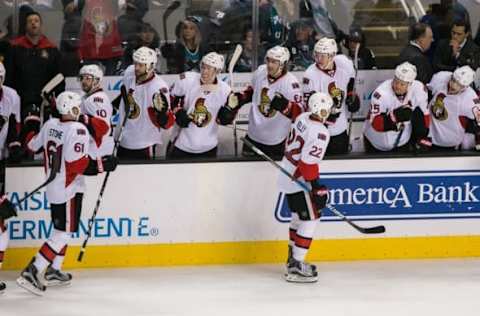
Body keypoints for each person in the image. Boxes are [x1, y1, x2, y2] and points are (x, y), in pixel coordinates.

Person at [17, 91, 117, 296]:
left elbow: (31, 144)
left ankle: (54, 269)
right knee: (63, 233)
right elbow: (78, 165)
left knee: (63, 229)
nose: (79, 109)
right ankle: (33, 270)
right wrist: (103, 165)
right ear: (70, 109)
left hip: (55, 187)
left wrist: (31, 122)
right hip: (68, 187)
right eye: (76, 107)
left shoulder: (50, 125)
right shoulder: (78, 129)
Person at [278, 92, 332, 283]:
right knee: (311, 219)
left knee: (297, 218)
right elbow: (308, 164)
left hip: (286, 174)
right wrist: (316, 186)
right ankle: (297, 264)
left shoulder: (302, 117)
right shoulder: (321, 133)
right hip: (299, 179)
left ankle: (292, 259)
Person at [167, 52, 239, 159]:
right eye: (203, 67)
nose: (204, 72)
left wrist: (228, 116)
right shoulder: (186, 80)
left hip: (207, 148)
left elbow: (229, 115)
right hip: (180, 144)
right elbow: (168, 99)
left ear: (218, 71)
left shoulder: (225, 91)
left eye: (209, 68)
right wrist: (177, 111)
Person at [237, 46, 303, 159]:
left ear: (282, 64)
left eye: (274, 62)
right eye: (268, 60)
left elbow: (300, 114)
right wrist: (240, 98)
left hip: (276, 142)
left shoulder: (291, 84)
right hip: (253, 137)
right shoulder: (260, 72)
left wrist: (286, 106)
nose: (269, 65)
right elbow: (252, 91)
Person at [5, 11, 64, 135]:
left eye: (36, 21)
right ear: (25, 26)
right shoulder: (15, 48)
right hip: (20, 100)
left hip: (43, 101)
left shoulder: (51, 49)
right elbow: (8, 75)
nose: (33, 23)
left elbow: (59, 77)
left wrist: (57, 100)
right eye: (30, 21)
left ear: (41, 25)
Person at [302, 37, 360, 155]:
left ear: (332, 55)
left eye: (323, 56)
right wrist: (328, 115)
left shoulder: (344, 64)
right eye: (317, 55)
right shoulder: (310, 75)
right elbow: (309, 107)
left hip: (340, 130)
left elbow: (351, 80)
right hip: (319, 132)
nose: (319, 59)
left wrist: (351, 95)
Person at [117, 46, 174, 160]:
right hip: (124, 139)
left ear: (150, 66)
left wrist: (162, 115)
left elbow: (167, 123)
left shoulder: (159, 88)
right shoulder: (129, 72)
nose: (136, 68)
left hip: (145, 143)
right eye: (135, 63)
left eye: (141, 65)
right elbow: (125, 93)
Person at [363, 62, 430, 153]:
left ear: (410, 84)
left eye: (402, 84)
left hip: (402, 142)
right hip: (375, 142)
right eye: (396, 81)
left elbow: (424, 115)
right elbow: (375, 123)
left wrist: (423, 137)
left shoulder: (419, 89)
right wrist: (394, 117)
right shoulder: (381, 93)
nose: (397, 86)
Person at [427, 66, 479, 151]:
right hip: (430, 135)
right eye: (454, 81)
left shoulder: (470, 98)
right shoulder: (441, 77)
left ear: (465, 87)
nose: (454, 86)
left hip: (450, 141)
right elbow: (427, 90)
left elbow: (478, 117)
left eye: (459, 85)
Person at [78, 64, 113, 158]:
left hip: (95, 151)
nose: (83, 81)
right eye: (82, 78)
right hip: (89, 147)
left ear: (97, 80)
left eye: (88, 78)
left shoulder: (97, 99)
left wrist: (82, 119)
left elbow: (103, 128)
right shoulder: (86, 97)